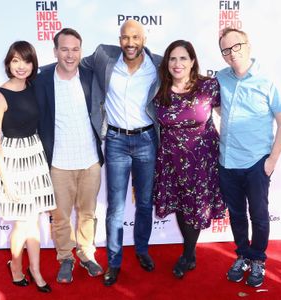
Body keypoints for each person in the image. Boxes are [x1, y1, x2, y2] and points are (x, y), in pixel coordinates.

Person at [81, 20, 162, 286]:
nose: (130, 43)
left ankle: (141, 250)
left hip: (147, 139)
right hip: (115, 140)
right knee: (115, 207)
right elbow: (72, 66)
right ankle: (114, 262)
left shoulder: (159, 65)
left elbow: (188, 75)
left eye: (135, 37)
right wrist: (26, 82)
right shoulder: (104, 56)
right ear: (119, 39)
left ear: (144, 39)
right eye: (126, 38)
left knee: (145, 202)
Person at [216, 27, 281, 287]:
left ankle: (258, 259)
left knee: (258, 215)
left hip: (256, 163)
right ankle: (243, 256)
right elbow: (212, 106)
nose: (232, 53)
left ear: (248, 45)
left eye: (236, 46)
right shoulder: (221, 78)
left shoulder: (267, 80)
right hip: (226, 162)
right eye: (226, 49)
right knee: (236, 215)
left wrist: (272, 160)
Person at [33, 28, 104, 284]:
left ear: (80, 51)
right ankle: (65, 257)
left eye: (75, 49)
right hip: (58, 163)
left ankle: (86, 253)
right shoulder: (41, 79)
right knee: (61, 216)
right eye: (64, 49)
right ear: (55, 51)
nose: (70, 55)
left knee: (87, 213)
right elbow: (19, 99)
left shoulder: (91, 76)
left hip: (90, 161)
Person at [153, 40, 226, 279]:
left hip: (201, 160)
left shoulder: (208, 87)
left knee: (196, 206)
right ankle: (190, 253)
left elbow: (227, 116)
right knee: (181, 206)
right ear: (167, 63)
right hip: (171, 159)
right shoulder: (159, 89)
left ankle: (187, 254)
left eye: (183, 58)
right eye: (172, 58)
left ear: (192, 61)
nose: (177, 63)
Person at [0, 41, 55, 293]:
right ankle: (18, 268)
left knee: (33, 220)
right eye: (15, 60)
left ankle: (34, 269)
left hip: (34, 157)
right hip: (12, 162)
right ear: (8, 63)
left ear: (32, 64)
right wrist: (6, 180)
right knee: (23, 222)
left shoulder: (33, 87)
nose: (21, 66)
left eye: (26, 61)